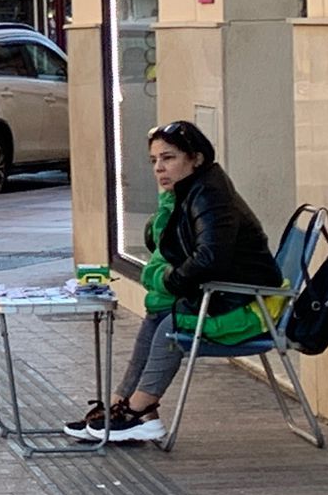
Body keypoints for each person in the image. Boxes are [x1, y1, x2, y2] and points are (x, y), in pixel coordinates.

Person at [65, 120, 283, 444]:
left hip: (248, 304)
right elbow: (164, 242)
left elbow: (211, 257)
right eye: (154, 160)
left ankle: (139, 409)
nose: (159, 168)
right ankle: (124, 403)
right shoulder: (190, 190)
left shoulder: (209, 195)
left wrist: (170, 281)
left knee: (173, 321)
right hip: (225, 293)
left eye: (168, 158)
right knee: (158, 315)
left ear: (194, 158)